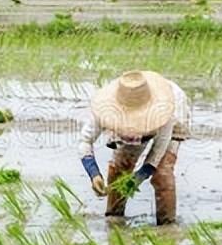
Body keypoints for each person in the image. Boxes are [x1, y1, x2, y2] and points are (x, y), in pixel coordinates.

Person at [79, 70, 191, 225]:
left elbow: (156, 154)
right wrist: (94, 174)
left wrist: (138, 178)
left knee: (162, 175)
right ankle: (114, 221)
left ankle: (167, 228)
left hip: (169, 112)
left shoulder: (166, 112)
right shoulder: (106, 109)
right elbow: (85, 141)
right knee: (119, 169)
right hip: (131, 120)